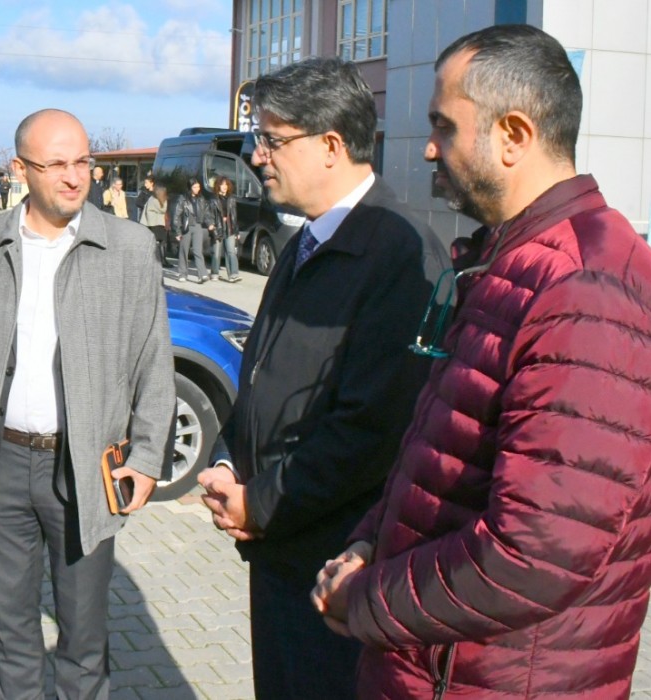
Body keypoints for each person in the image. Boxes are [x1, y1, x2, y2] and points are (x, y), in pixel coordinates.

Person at [312, 25, 651, 699]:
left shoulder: (582, 288)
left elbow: (538, 551)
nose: (429, 147)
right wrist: (370, 541)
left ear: (513, 135)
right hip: (437, 665)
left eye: (444, 125)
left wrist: (368, 599)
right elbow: (440, 456)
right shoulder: (509, 260)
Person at [195, 57, 450, 699]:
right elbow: (263, 376)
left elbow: (371, 431)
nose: (256, 156)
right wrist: (227, 461)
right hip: (278, 550)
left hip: (336, 569)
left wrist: (261, 502)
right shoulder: (306, 241)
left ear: (331, 145)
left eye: (272, 140)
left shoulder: (400, 254)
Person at [0, 108, 175, 699]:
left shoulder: (128, 247)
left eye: (82, 161)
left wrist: (145, 458)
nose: (74, 176)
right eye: (57, 163)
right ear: (20, 169)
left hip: (85, 468)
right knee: (10, 630)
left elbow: (152, 361)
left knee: (84, 636)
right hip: (1, 463)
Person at [173, 178, 212, 283]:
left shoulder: (201, 199)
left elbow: (206, 213)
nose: (197, 189)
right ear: (190, 188)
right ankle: (182, 274)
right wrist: (177, 231)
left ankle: (202, 274)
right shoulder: (183, 199)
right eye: (195, 187)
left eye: (198, 187)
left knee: (198, 250)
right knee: (184, 250)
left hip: (198, 226)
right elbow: (177, 215)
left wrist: (210, 223)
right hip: (186, 226)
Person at [210, 178, 242, 282]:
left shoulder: (231, 199)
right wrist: (211, 224)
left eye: (226, 185)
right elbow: (209, 214)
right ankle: (214, 273)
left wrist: (236, 231)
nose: (225, 187)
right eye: (222, 185)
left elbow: (234, 216)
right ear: (218, 186)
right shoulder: (213, 200)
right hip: (218, 227)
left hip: (229, 227)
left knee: (231, 251)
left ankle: (233, 274)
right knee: (216, 252)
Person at [139, 183, 170, 264]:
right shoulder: (156, 200)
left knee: (157, 242)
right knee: (162, 242)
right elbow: (163, 209)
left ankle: (159, 260)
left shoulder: (152, 199)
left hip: (153, 224)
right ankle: (162, 260)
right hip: (156, 224)